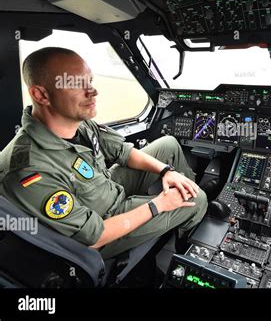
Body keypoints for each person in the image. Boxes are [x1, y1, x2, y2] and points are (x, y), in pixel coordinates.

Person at [0, 47, 208, 260]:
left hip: (106, 189)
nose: (93, 91)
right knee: (197, 199)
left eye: (89, 81)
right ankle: (187, 243)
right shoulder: (28, 170)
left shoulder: (78, 124)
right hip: (103, 229)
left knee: (169, 145)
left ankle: (183, 205)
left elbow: (124, 152)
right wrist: (161, 204)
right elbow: (94, 236)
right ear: (41, 94)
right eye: (76, 83)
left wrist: (166, 171)